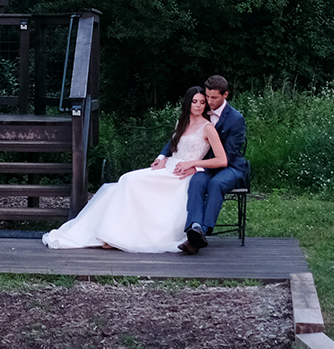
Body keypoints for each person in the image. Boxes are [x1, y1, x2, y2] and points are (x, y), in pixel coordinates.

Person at [42, 86, 225, 252]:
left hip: (181, 175)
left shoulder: (208, 128)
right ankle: (110, 234)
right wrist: (163, 158)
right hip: (168, 167)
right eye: (194, 101)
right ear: (187, 103)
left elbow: (221, 160)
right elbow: (175, 145)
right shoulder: (182, 122)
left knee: (129, 182)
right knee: (120, 184)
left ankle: (117, 236)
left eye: (202, 102)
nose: (199, 106)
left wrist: (194, 164)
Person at [164, 74, 249, 253]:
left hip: (231, 167)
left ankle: (201, 232)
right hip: (206, 166)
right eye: (207, 97)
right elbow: (182, 134)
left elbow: (229, 156)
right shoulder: (201, 111)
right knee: (197, 181)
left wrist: (196, 166)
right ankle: (195, 226)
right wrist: (163, 155)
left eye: (214, 98)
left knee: (215, 183)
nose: (209, 101)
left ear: (225, 95)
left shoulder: (236, 119)